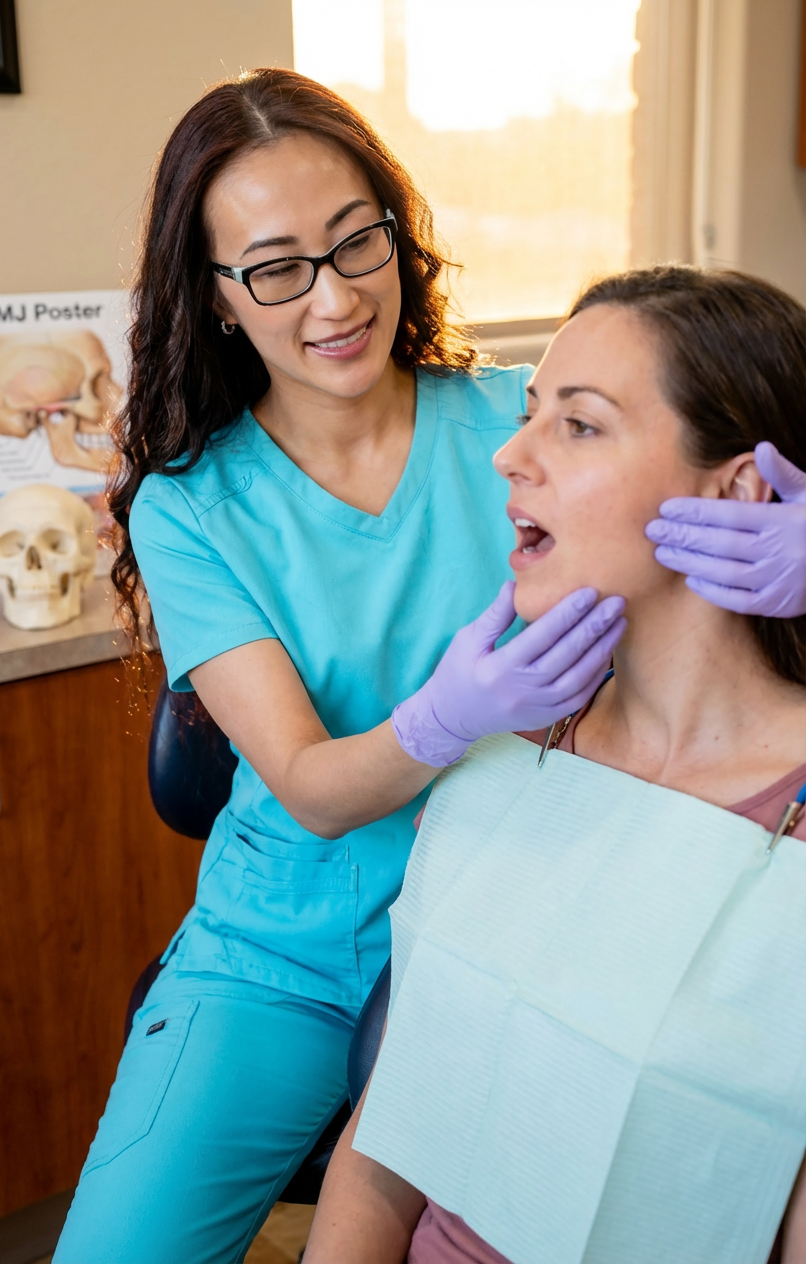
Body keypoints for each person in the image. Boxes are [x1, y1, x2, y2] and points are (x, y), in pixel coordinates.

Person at [53, 67, 806, 1263]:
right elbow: (307, 784)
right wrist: (446, 718)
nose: (335, 294)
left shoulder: (518, 416)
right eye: (276, 267)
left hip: (532, 901)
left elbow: (730, 426)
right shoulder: (194, 507)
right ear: (217, 297)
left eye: (357, 240)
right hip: (290, 953)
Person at [303, 265, 806, 1264]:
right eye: (529, 411)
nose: (508, 455)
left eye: (578, 424)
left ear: (740, 491)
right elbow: (389, 1137)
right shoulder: (508, 754)